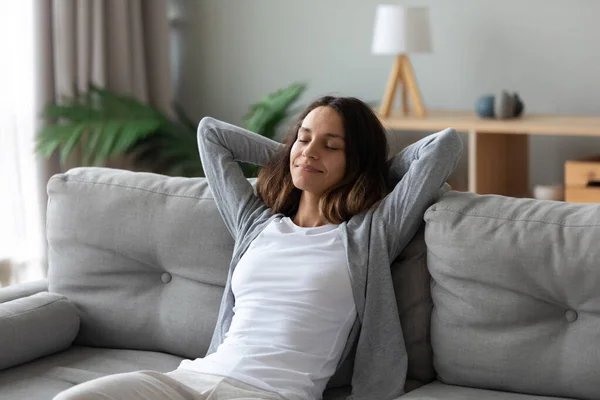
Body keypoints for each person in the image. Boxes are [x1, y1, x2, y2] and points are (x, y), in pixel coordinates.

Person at [54, 96, 463, 400]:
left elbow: (442, 146)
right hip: (188, 382)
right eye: (304, 139)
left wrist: (370, 171)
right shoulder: (254, 222)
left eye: (331, 146)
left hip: (270, 393)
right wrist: (293, 159)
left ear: (354, 161)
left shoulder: (371, 234)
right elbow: (211, 135)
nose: (310, 151)